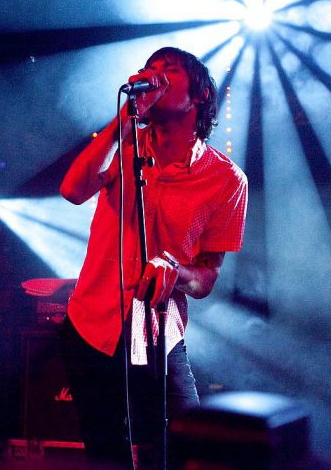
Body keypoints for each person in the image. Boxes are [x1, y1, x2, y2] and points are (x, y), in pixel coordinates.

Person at [59, 47, 248, 469]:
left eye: (169, 70)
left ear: (199, 94)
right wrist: (123, 122)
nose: (154, 75)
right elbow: (72, 191)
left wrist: (176, 272)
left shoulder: (226, 180)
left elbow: (207, 279)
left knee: (186, 450)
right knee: (107, 458)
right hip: (90, 327)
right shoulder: (123, 146)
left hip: (158, 336)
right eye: (151, 67)